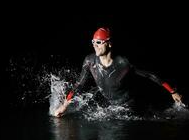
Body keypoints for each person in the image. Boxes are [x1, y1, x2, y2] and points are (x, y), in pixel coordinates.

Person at [54, 27, 183, 117]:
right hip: (110, 106)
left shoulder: (123, 63)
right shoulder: (89, 61)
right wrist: (64, 105)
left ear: (109, 44)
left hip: (127, 106)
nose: (95, 45)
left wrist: (172, 91)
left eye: (99, 42)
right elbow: (79, 84)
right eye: (93, 42)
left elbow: (149, 75)